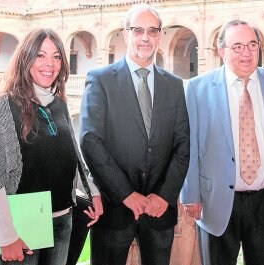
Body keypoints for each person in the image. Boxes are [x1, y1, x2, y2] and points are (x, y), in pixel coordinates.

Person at [0, 28, 103, 264]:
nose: (50, 64)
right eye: (40, 55)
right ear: (25, 58)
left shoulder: (59, 105)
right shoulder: (5, 106)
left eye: (56, 56)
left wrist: (93, 193)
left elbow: (71, 158)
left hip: (63, 221)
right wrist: (7, 237)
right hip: (22, 228)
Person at [180, 19, 264, 265]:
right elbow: (188, 146)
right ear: (222, 51)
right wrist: (190, 194)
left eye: (252, 44)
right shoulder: (196, 89)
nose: (246, 52)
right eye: (237, 46)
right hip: (216, 201)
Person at [79, 4, 190, 265]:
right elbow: (90, 140)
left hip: (158, 211)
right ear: (126, 34)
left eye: (152, 31)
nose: (145, 37)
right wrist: (126, 194)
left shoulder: (174, 85)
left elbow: (183, 145)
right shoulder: (101, 79)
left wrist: (164, 196)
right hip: (115, 208)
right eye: (138, 30)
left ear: (160, 36)